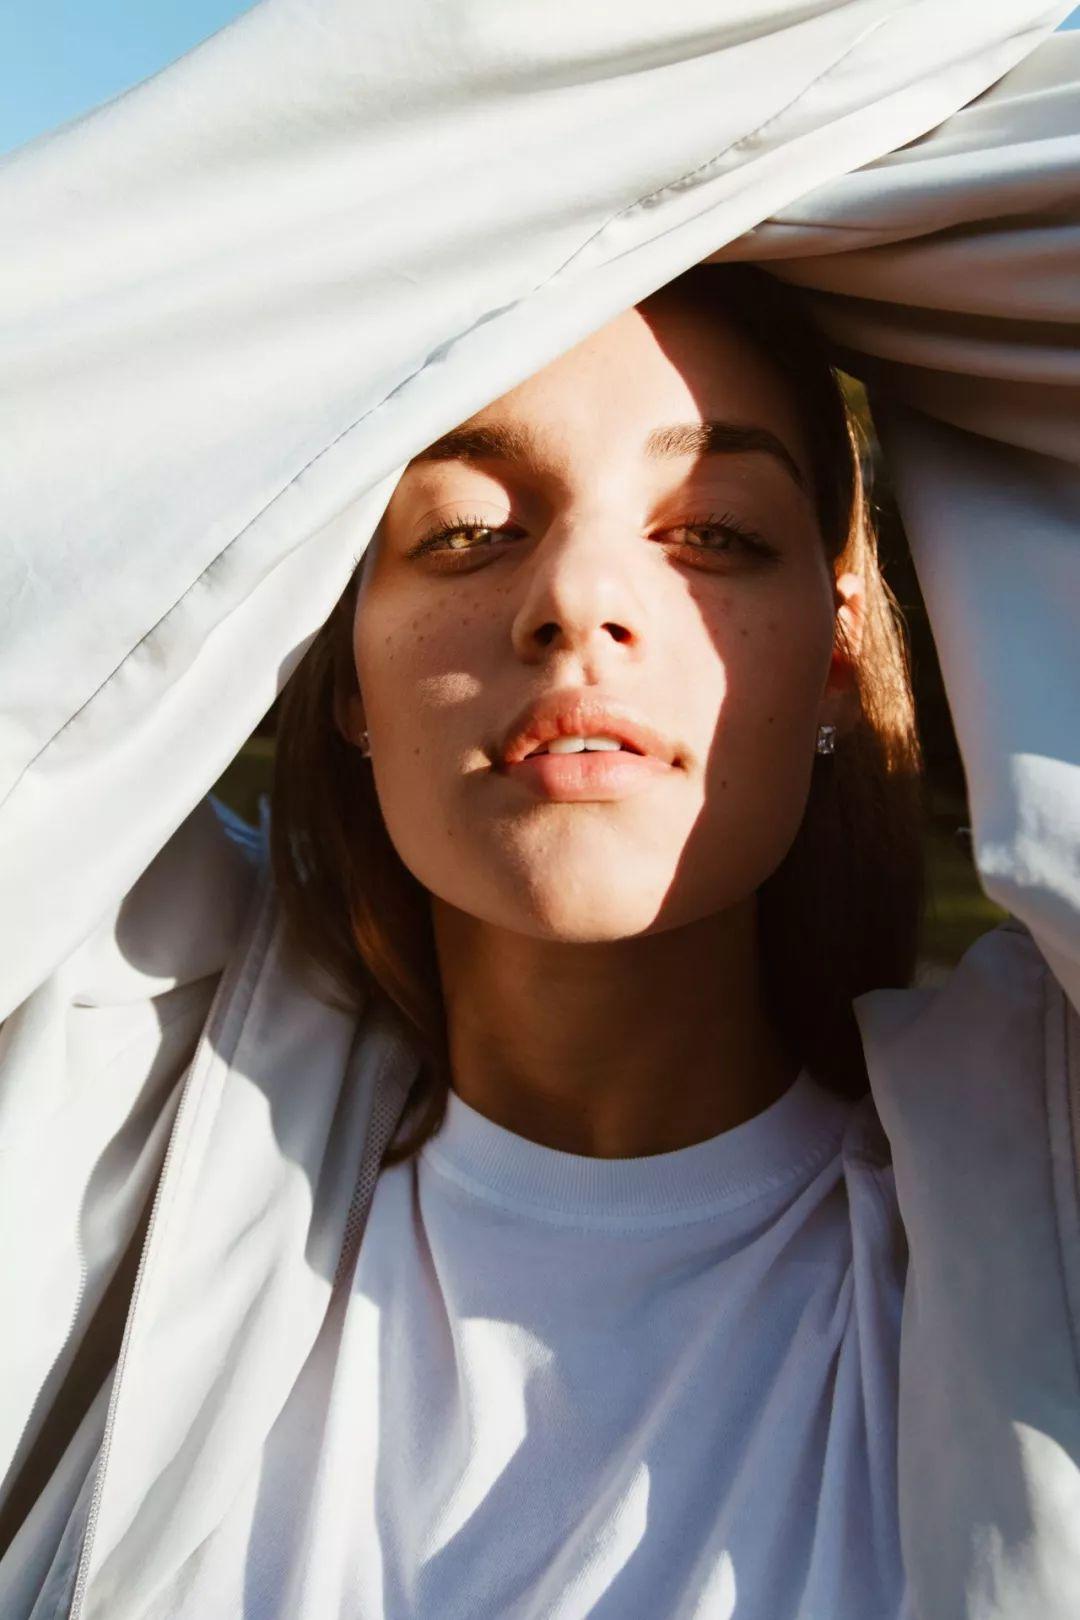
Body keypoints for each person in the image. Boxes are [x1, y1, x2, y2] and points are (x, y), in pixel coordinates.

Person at [2, 6, 1078, 1619]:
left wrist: (702, 174)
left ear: (835, 655)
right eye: (465, 530)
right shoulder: (106, 1120)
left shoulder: (1042, 1193)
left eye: (711, 534)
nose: (577, 599)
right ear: (347, 676)